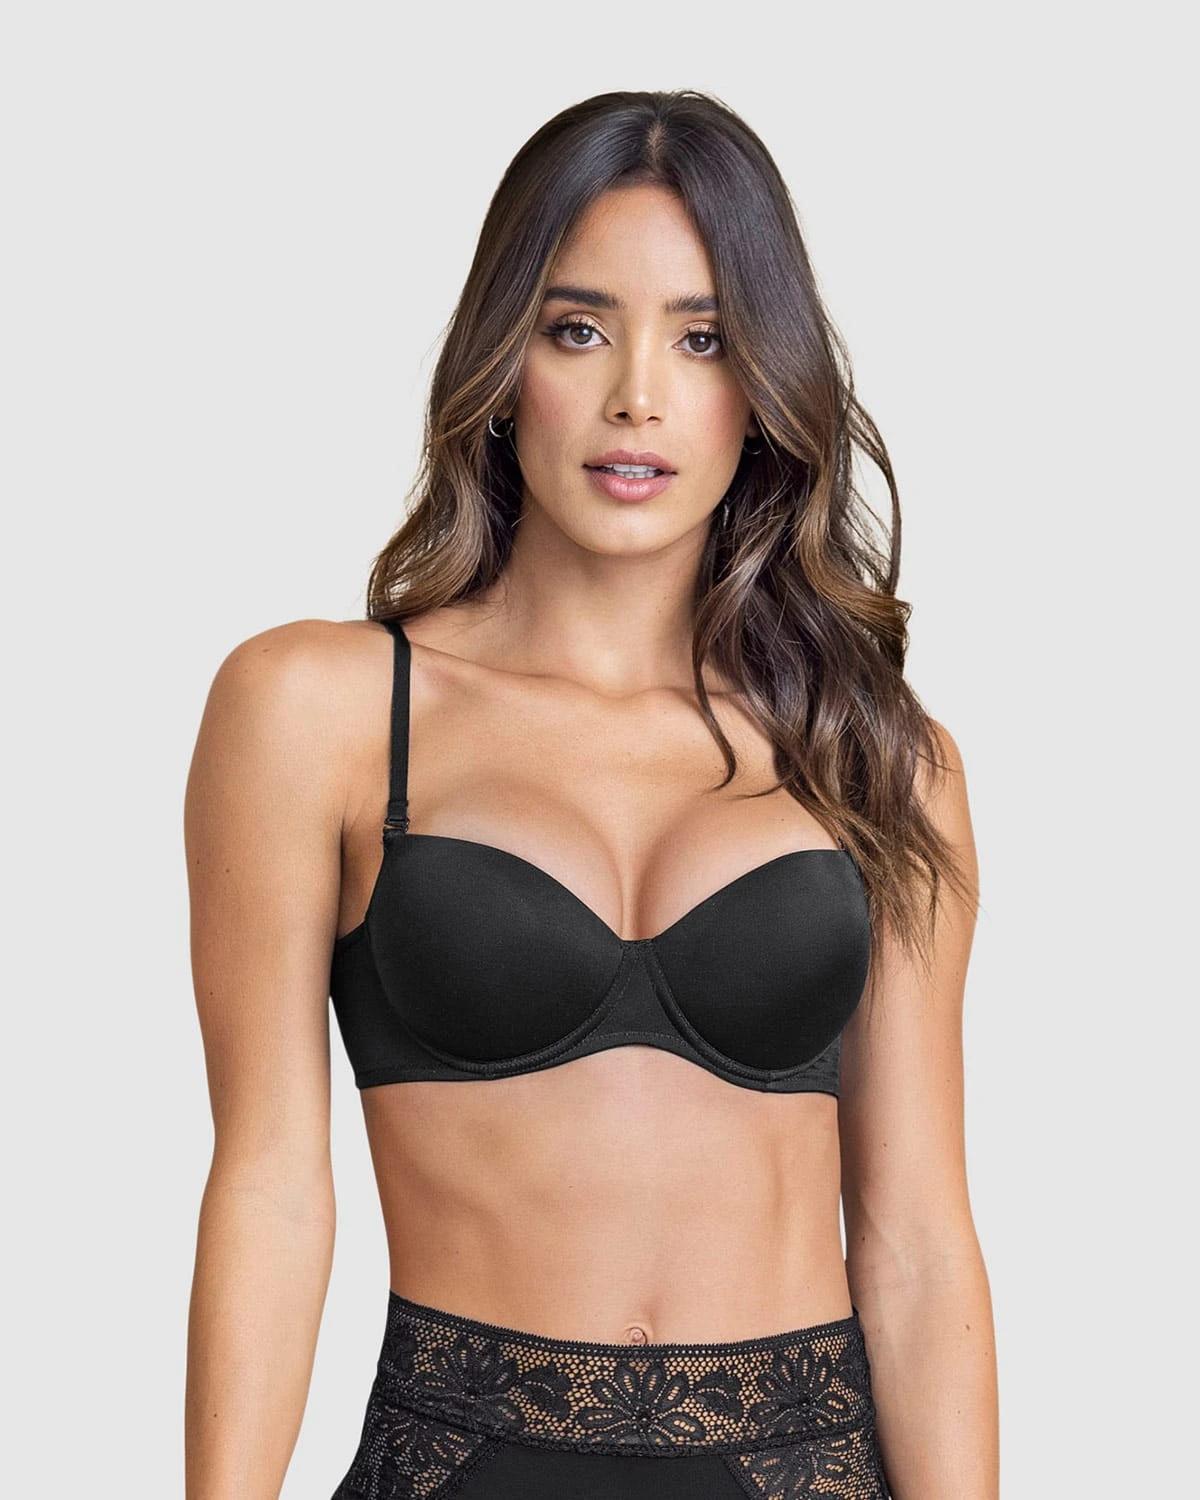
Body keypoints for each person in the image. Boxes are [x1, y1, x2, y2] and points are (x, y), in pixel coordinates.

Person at [183, 89, 998, 1500]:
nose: (638, 395)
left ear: (766, 387)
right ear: (504, 363)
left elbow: (918, 1240)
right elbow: (269, 1185)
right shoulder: (317, 710)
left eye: (703, 338)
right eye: (578, 329)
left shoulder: (877, 757)